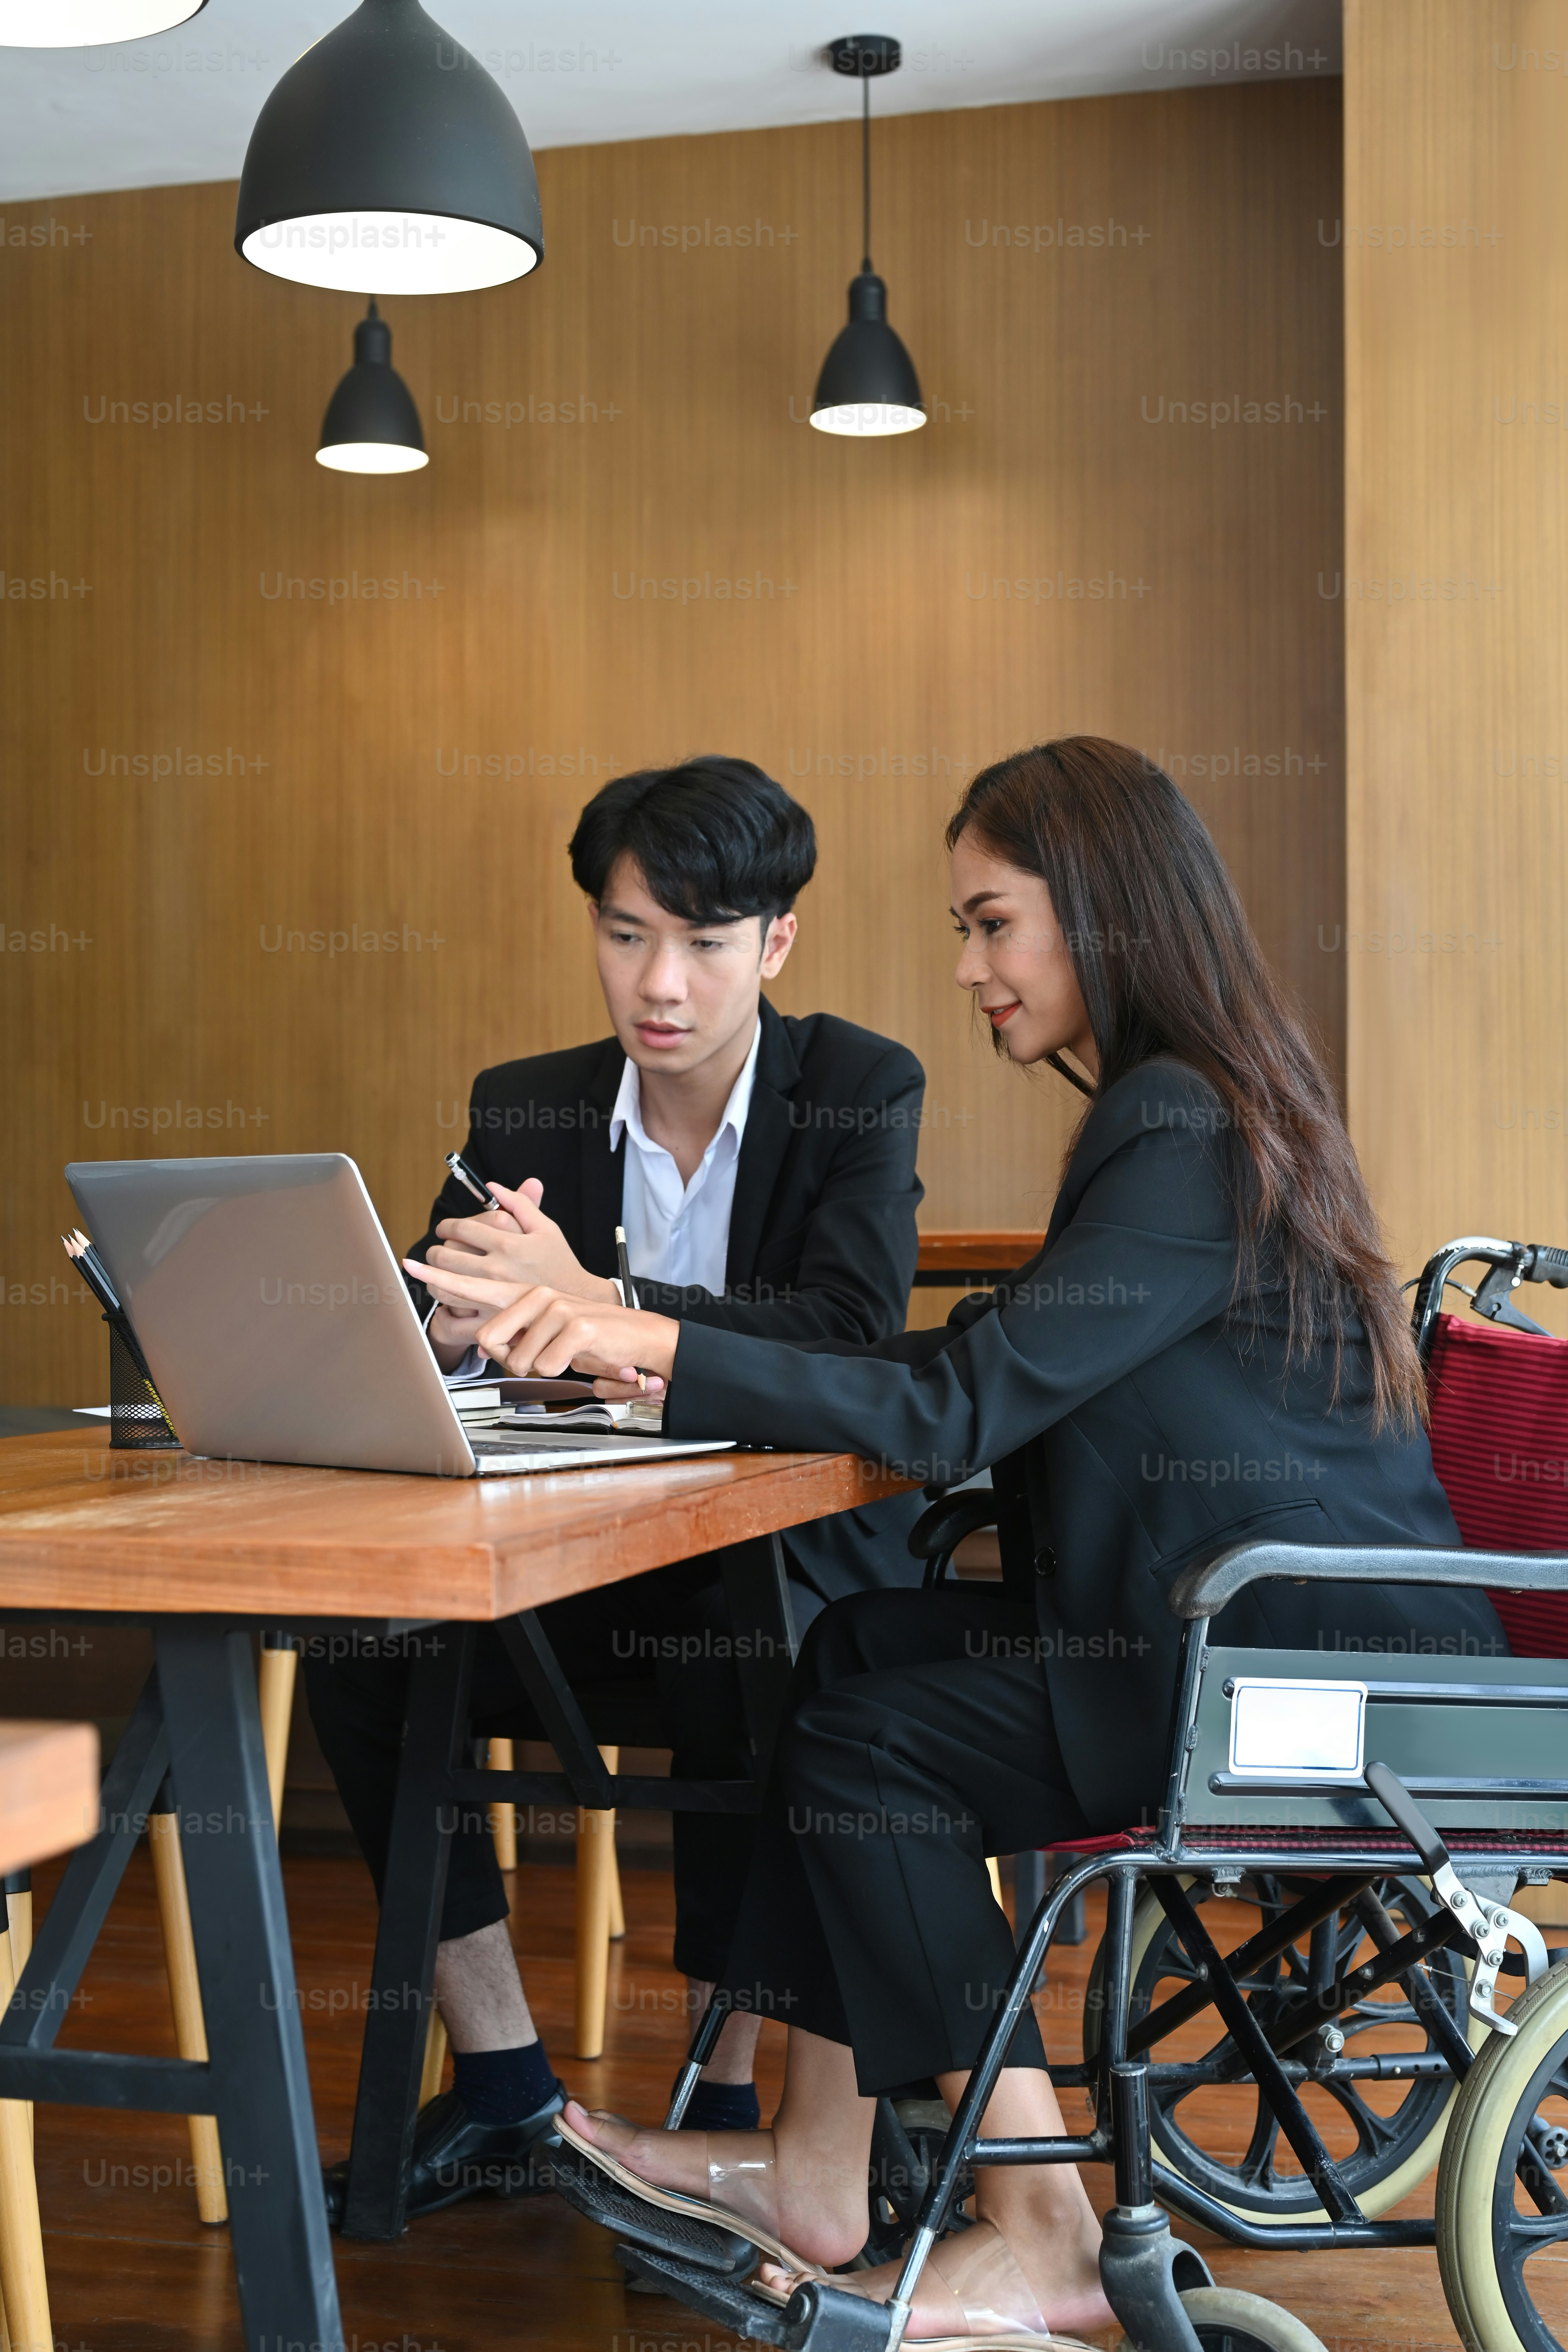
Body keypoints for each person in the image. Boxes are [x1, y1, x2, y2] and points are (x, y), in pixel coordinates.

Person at [418, 735, 1505, 2342]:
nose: (969, 969)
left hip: (1286, 1664)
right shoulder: (1176, 1111)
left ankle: (1046, 2229)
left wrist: (626, 1336)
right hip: (1208, 1630)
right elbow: (969, 1384)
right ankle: (811, 2163)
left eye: (993, 924)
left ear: (1107, 913)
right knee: (844, 1656)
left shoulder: (1177, 1127)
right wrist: (625, 1325)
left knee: (873, 1750)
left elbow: (956, 1408)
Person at [305, 755, 928, 2224]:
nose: (663, 983)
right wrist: (449, 1321)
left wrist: (603, 1304)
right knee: (361, 1642)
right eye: (628, 933)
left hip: (786, 1556)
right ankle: (511, 2090)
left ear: (776, 944)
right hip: (572, 1561)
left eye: (707, 945)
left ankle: (724, 2091)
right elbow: (457, 1326)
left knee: (744, 1645)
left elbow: (848, 1331)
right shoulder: (524, 1109)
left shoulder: (856, 1086)